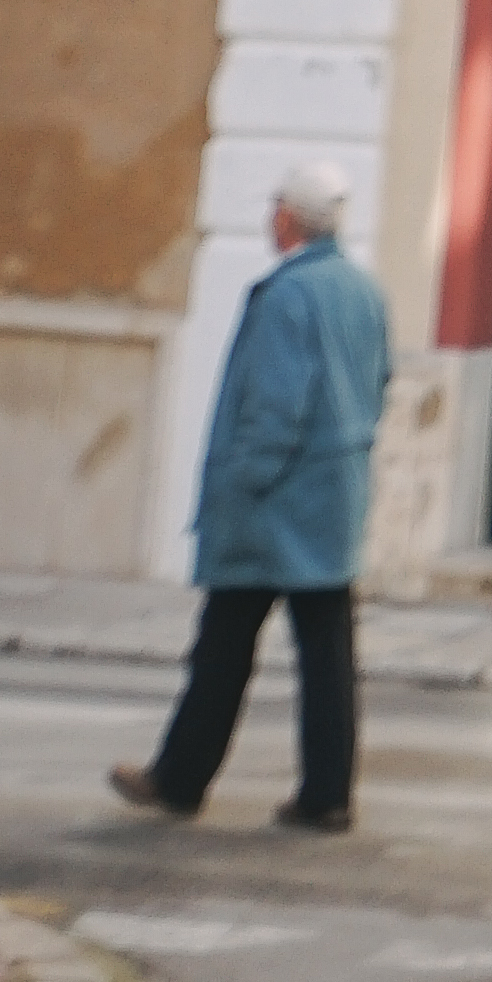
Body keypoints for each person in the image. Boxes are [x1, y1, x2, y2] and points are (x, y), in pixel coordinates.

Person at [110, 166, 390, 833]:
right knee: (327, 656)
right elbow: (379, 382)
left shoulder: (287, 295)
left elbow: (276, 403)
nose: (271, 218)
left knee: (224, 645)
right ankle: (326, 794)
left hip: (275, 505)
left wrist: (246, 481)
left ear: (290, 219)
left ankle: (180, 780)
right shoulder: (364, 291)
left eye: (275, 208)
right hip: (333, 496)